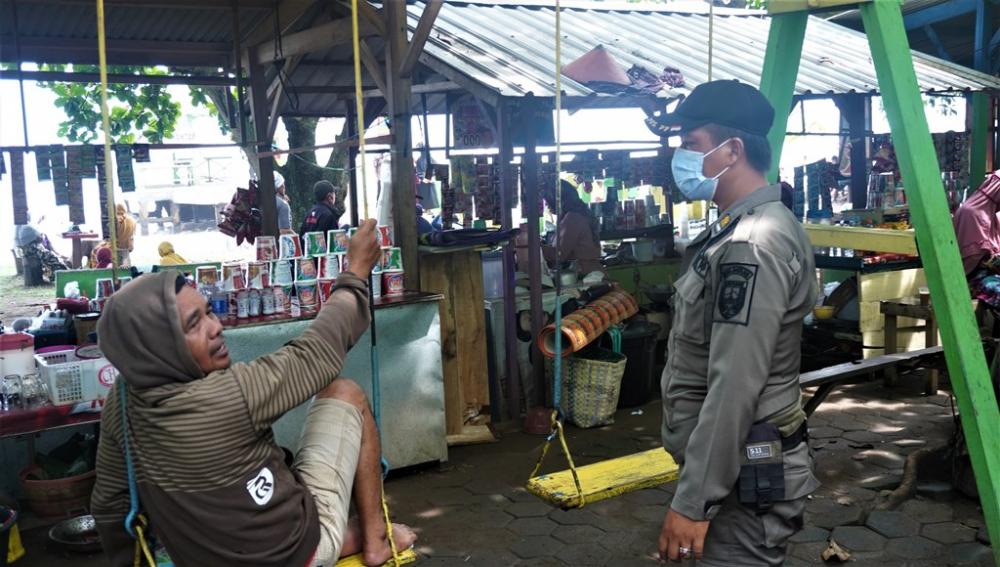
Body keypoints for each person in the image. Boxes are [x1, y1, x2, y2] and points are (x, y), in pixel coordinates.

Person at [91, 220, 417, 567]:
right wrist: (356, 271)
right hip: (293, 555)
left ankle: (343, 535)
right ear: (158, 345)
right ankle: (373, 540)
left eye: (208, 312)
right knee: (345, 392)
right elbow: (317, 353)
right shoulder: (227, 398)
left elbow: (109, 505)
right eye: (193, 325)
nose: (216, 328)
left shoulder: (122, 402)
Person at [646, 80, 819, 565]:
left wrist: (693, 502)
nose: (681, 157)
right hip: (736, 473)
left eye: (691, 144)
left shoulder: (753, 244)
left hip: (743, 480)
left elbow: (735, 384)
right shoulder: (744, 228)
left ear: (733, 151)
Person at [953, 171, 1000, 308]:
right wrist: (992, 261)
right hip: (972, 277)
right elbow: (971, 258)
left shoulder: (994, 214)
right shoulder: (970, 213)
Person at [542, 180, 603, 275]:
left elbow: (559, 254)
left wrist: (534, 248)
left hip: (587, 275)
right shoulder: (576, 214)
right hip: (589, 273)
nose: (546, 205)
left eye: (547, 201)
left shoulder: (573, 218)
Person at [115, 204, 136, 268]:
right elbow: (132, 237)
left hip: (116, 250)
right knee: (126, 270)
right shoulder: (132, 221)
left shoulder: (114, 220)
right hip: (126, 250)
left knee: (116, 270)